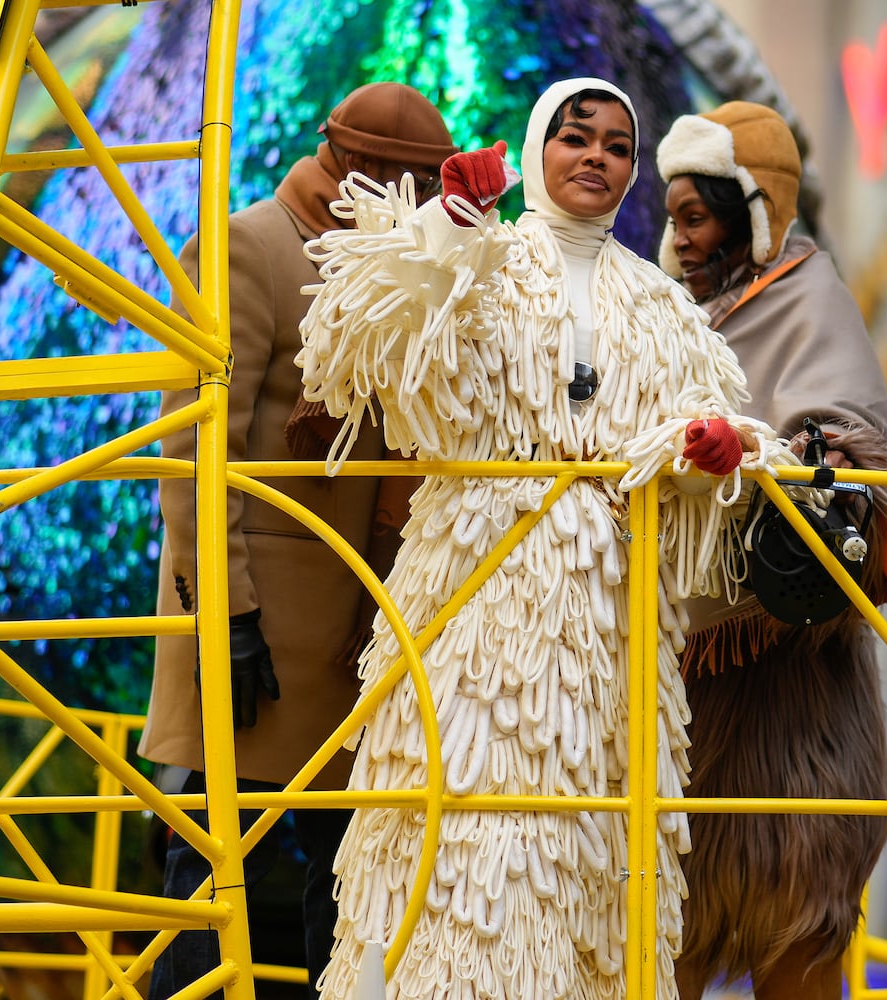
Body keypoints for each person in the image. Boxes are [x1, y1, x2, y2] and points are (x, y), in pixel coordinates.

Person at [294, 78, 802, 1000]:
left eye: (615, 145)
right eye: (576, 138)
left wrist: (708, 453)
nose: (595, 157)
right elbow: (379, 350)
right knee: (458, 820)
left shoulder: (660, 304)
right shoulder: (483, 253)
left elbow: (700, 434)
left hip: (605, 617)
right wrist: (449, 228)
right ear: (537, 149)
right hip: (473, 588)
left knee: (590, 841)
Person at [139, 82, 458, 1000]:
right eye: (414, 183)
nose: (427, 204)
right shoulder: (249, 245)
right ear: (358, 168)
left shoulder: (392, 263)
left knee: (346, 866)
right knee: (208, 857)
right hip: (257, 625)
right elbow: (195, 447)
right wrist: (225, 616)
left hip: (354, 628)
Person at [655, 101, 887, 1000]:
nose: (680, 238)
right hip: (689, 682)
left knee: (802, 909)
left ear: (750, 209)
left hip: (791, 680)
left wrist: (762, 455)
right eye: (673, 220)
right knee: (671, 916)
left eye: (695, 217)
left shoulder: (807, 296)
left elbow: (849, 439)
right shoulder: (671, 308)